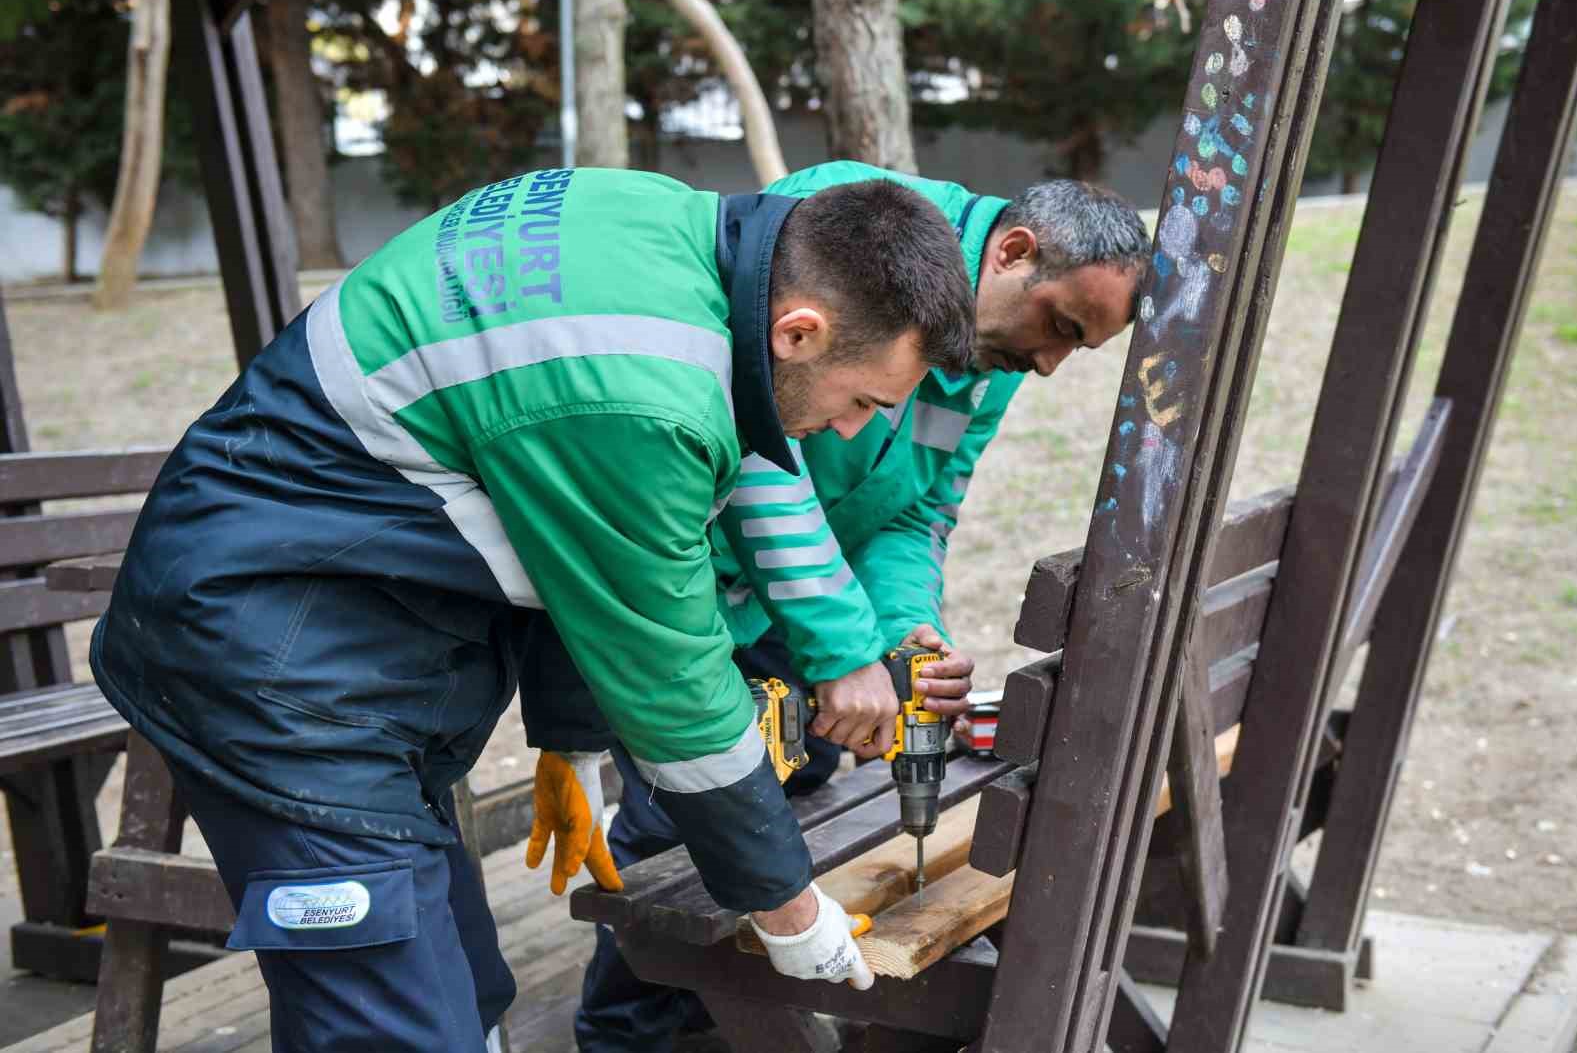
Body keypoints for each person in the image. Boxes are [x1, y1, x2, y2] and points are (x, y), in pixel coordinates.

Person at [87, 167, 976, 1053]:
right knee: (393, 1031)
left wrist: (570, 734)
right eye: (864, 401)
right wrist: (788, 910)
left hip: (357, 640)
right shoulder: (651, 393)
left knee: (470, 994)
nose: (855, 431)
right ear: (799, 331)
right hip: (266, 660)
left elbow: (561, 524)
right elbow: (674, 686)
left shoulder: (663, 228)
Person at [520, 161, 1152, 1053]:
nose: (1048, 365)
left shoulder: (988, 355)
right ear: (1013, 251)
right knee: (684, 822)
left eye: (1074, 350)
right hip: (695, 590)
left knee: (804, 780)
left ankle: (720, 1012)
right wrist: (847, 648)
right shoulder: (852, 231)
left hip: (818, 619)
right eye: (1059, 327)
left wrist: (903, 632)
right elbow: (759, 459)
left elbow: (917, 509)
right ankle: (626, 1032)